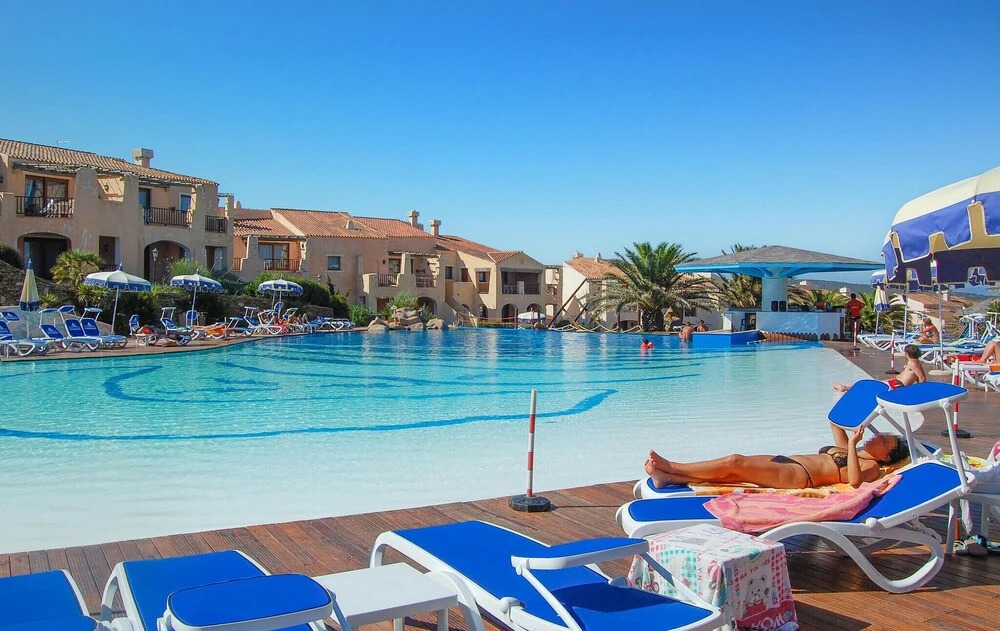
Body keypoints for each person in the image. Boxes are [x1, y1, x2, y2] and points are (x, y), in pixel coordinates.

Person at [645, 423, 909, 489]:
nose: (878, 437)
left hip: (798, 476)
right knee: (731, 473)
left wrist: (852, 444)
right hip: (787, 462)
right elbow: (835, 419)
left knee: (734, 462)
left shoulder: (871, 466)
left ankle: (672, 466)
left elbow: (854, 481)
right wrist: (849, 397)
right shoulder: (853, 450)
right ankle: (669, 478)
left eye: (884, 441)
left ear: (887, 456)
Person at [834, 344, 926, 392]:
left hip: (897, 384)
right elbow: (919, 377)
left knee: (873, 387)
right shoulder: (914, 363)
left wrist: (918, 391)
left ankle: (847, 388)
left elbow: (922, 378)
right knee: (874, 384)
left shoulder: (913, 363)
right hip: (896, 382)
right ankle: (848, 387)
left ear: (907, 354)